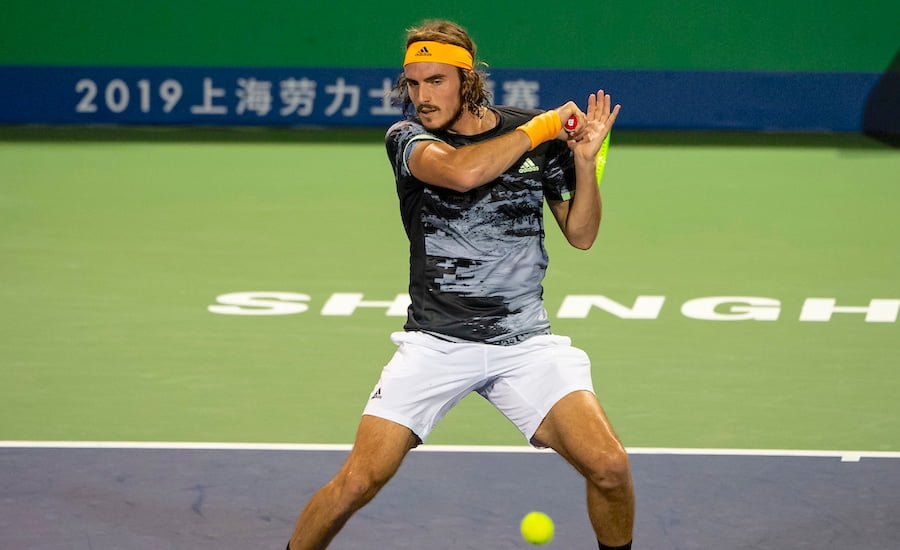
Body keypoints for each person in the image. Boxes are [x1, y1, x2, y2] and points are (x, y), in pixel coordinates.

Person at [287, 19, 633, 550]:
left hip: (525, 344)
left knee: (610, 468)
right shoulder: (408, 139)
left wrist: (584, 164)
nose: (421, 97)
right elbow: (461, 173)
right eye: (413, 83)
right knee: (358, 481)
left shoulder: (533, 138)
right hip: (436, 344)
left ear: (467, 81)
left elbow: (581, 235)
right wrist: (540, 129)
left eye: (435, 81)